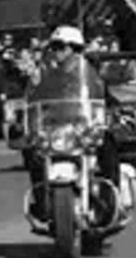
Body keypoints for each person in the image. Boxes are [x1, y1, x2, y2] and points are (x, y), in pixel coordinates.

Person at [22, 25, 121, 221]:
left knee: (107, 145)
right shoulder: (48, 76)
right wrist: (27, 113)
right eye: (53, 47)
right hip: (56, 131)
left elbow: (103, 95)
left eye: (60, 46)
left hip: (83, 131)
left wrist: (113, 109)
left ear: (75, 48)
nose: (56, 51)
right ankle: (41, 200)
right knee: (31, 150)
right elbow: (35, 99)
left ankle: (109, 200)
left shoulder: (90, 75)